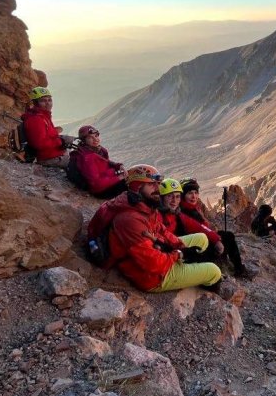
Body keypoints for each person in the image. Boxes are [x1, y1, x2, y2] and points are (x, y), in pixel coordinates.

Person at [103, 164, 222, 293]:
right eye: (151, 184)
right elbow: (152, 263)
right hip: (152, 276)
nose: (157, 188)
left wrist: (180, 246)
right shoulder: (129, 220)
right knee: (214, 271)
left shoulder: (145, 207)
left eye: (158, 183)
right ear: (137, 187)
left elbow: (162, 231)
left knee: (201, 239)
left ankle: (193, 272)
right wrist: (179, 254)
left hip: (159, 254)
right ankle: (206, 286)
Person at [170, 178, 257, 280]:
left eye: (196, 193)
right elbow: (199, 228)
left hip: (195, 245)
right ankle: (239, 271)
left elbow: (202, 227)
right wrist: (216, 239)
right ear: (183, 195)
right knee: (228, 237)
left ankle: (230, 265)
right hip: (194, 250)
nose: (194, 196)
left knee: (226, 235)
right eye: (190, 193)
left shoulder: (189, 207)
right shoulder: (184, 211)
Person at [20, 87, 73, 168]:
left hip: (54, 155)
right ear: (35, 103)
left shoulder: (44, 116)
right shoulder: (36, 119)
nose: (48, 103)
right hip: (49, 159)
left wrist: (60, 137)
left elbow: (47, 135)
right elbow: (39, 144)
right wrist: (60, 141)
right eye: (43, 101)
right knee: (82, 162)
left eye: (49, 100)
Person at [69, 125, 126, 198]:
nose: (95, 139)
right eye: (90, 137)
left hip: (107, 179)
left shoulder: (99, 150)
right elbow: (96, 185)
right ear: (83, 140)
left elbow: (106, 162)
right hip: (101, 190)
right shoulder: (87, 158)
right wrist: (119, 178)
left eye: (96, 136)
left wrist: (119, 166)